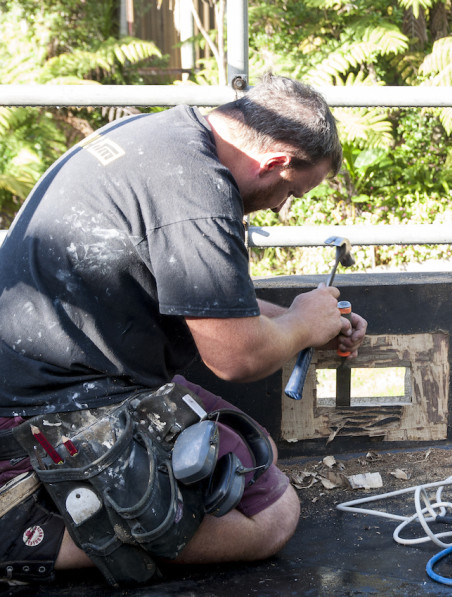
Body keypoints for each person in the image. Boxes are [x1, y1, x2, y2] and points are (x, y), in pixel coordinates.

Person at [0, 74, 367, 585]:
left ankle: (87, 505)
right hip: (48, 404)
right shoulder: (196, 189)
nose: (283, 206)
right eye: (291, 192)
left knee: (257, 454)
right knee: (272, 518)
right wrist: (303, 325)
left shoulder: (167, 137)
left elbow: (205, 299)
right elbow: (235, 357)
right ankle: (26, 535)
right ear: (276, 162)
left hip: (79, 369)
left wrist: (298, 320)